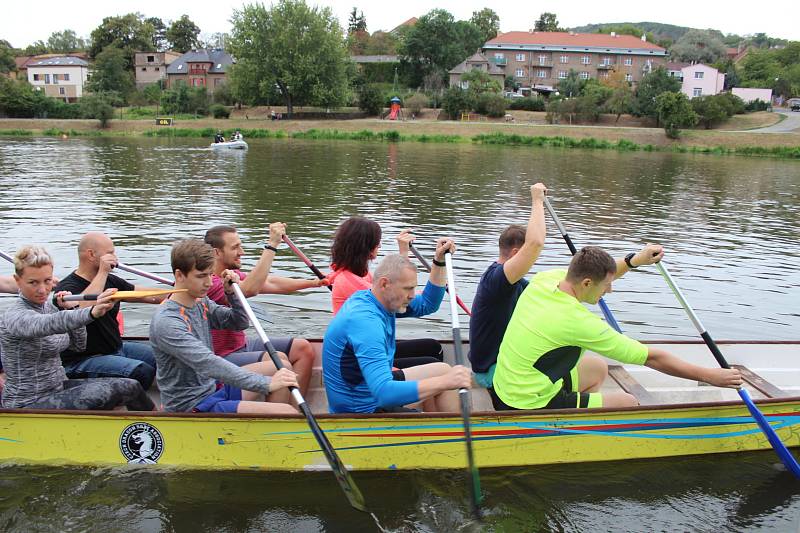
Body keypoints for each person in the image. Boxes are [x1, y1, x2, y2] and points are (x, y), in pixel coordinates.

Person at [491, 246, 743, 411]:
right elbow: (652, 358)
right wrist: (709, 376)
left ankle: (582, 413)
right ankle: (571, 421)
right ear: (587, 282)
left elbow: (601, 276)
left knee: (598, 367)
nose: (610, 290)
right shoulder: (579, 322)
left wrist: (635, 261)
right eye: (606, 286)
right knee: (629, 403)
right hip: (526, 401)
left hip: (510, 382)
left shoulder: (544, 280)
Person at [149, 239, 298, 414]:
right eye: (201, 276)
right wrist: (265, 384)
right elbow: (207, 363)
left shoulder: (199, 302)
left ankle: (264, 429)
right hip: (191, 406)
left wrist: (232, 294)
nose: (209, 283)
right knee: (288, 412)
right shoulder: (168, 322)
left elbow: (238, 323)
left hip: (213, 388)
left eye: (210, 275)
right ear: (179, 275)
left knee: (283, 370)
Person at [323, 242, 472, 414]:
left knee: (443, 370)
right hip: (361, 409)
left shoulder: (380, 299)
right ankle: (444, 433)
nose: (411, 295)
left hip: (369, 389)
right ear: (385, 284)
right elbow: (384, 394)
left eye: (414, 288)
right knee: (445, 379)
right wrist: (446, 382)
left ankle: (449, 429)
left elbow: (428, 304)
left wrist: (439, 262)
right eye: (408, 288)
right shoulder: (365, 323)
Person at [0, 245, 154, 411]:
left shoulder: (48, 308)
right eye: (33, 282)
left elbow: (78, 345)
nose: (42, 289)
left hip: (58, 388)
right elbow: (49, 323)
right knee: (115, 390)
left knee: (131, 386)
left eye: (47, 281)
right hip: (27, 402)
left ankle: (159, 429)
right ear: (17, 281)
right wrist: (92, 312)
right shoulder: (14, 315)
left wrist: (72, 308)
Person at [204, 223, 323, 395]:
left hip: (240, 344)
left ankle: (296, 414)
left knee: (302, 348)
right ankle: (278, 416)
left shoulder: (230, 274)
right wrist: (272, 245)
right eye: (235, 247)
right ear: (217, 252)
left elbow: (270, 282)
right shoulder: (211, 283)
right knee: (280, 365)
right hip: (221, 357)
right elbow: (250, 289)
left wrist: (315, 283)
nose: (242, 252)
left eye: (241, 245)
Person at [328, 216, 443, 369]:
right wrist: (439, 263)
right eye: (377, 242)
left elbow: (394, 288)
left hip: (372, 349)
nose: (380, 245)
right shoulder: (352, 283)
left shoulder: (358, 275)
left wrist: (403, 252)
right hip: (362, 362)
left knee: (433, 347)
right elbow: (426, 305)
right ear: (366, 247)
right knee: (434, 366)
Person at [55, 232, 161, 390]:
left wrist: (181, 292)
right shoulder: (67, 289)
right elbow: (83, 310)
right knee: (142, 372)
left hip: (115, 348)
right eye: (110, 253)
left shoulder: (111, 280)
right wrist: (103, 272)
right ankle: (136, 408)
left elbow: (147, 295)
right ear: (91, 254)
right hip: (82, 360)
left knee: (164, 358)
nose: (115, 257)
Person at [469, 183, 547, 390]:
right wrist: (537, 200)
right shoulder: (496, 281)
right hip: (490, 372)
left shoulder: (517, 284)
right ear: (514, 254)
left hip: (500, 363)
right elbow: (535, 243)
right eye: (527, 257)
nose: (532, 261)